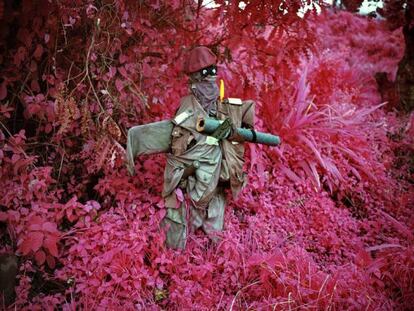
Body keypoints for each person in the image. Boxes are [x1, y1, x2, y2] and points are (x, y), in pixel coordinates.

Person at [161, 46, 255, 249]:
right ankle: (190, 247)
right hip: (196, 175)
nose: (210, 79)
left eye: (213, 72)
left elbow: (240, 130)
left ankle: (213, 249)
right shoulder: (188, 106)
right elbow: (178, 143)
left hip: (219, 172)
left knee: (214, 215)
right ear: (195, 78)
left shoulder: (226, 104)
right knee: (195, 207)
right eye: (206, 73)